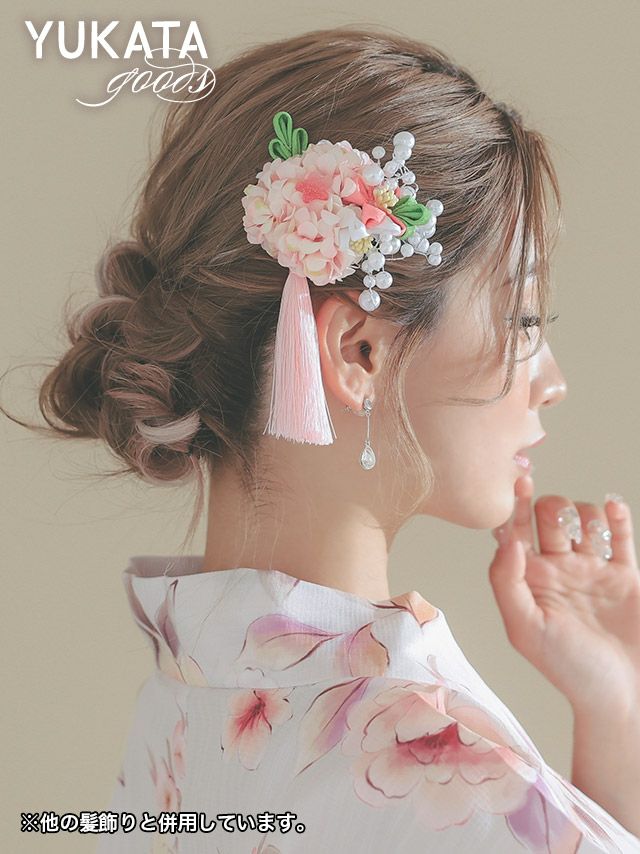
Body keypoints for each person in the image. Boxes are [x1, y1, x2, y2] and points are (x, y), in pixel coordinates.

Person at [5, 25, 639, 854]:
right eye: (522, 320)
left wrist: (614, 707)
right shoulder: (445, 773)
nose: (550, 379)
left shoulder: (186, 700)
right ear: (358, 352)